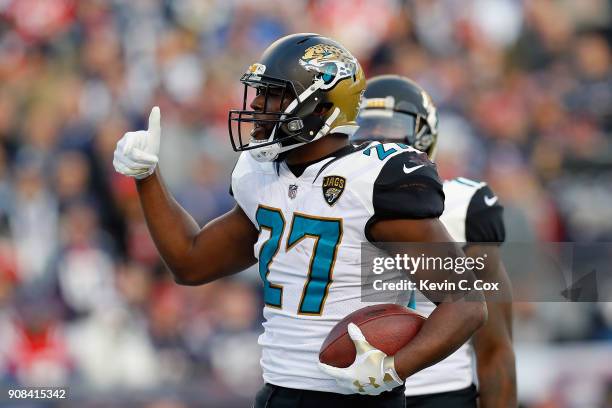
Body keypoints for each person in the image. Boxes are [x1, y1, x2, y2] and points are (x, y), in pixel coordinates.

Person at [113, 33, 486, 408]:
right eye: (260, 93)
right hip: (277, 392)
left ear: (321, 109)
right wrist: (147, 176)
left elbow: (466, 303)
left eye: (273, 95)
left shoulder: (375, 181)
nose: (257, 105)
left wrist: (392, 368)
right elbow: (190, 262)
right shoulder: (261, 176)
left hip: (356, 398)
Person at [352, 74, 516, 408]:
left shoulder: (463, 207)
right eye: (365, 129)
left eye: (388, 130)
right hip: (346, 392)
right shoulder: (320, 198)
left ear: (424, 137)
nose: (375, 142)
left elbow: (494, 348)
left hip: (437, 395)